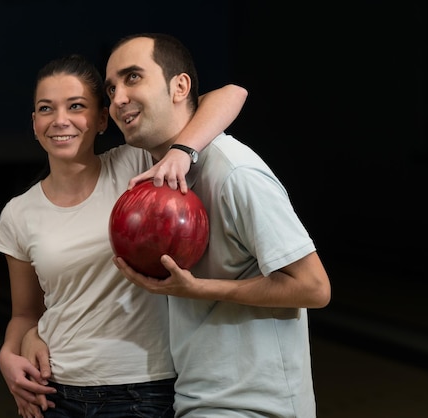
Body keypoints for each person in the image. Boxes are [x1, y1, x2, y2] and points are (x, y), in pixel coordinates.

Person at [0, 53, 248, 418]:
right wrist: (8, 353)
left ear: (101, 119)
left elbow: (232, 94)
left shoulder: (138, 163)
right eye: (46, 109)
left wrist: (180, 151)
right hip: (53, 392)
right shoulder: (18, 213)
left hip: (143, 391)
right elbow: (25, 314)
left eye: (76, 106)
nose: (60, 120)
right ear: (34, 122)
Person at [103, 33, 331, 417]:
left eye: (133, 77)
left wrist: (196, 289)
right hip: (198, 398)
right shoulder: (151, 171)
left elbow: (314, 287)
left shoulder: (234, 172)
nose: (118, 98)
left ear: (180, 86)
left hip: (256, 407)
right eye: (110, 89)